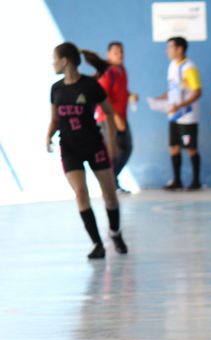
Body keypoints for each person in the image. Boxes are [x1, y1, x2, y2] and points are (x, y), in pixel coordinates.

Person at [46, 42, 128, 259]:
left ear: (65, 61)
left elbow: (109, 113)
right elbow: (55, 119)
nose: (53, 63)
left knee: (109, 195)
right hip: (69, 148)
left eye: (55, 58)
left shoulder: (90, 86)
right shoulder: (56, 89)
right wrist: (48, 136)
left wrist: (111, 142)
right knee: (81, 193)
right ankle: (97, 244)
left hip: (94, 145)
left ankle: (115, 232)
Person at [81, 42, 138, 193]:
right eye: (116, 53)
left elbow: (121, 90)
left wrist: (130, 95)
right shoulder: (107, 74)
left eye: (121, 52)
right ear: (108, 55)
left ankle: (112, 180)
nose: (120, 55)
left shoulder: (122, 70)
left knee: (127, 148)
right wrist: (115, 118)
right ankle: (110, 183)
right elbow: (103, 99)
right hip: (108, 119)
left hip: (122, 117)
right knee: (113, 151)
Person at [157, 36, 202, 191]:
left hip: (187, 116)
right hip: (174, 115)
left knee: (190, 148)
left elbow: (197, 92)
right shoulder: (172, 66)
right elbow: (173, 89)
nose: (167, 51)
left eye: (170, 47)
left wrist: (180, 105)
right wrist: (161, 98)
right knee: (174, 147)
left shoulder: (189, 68)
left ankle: (196, 181)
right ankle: (177, 180)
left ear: (180, 49)